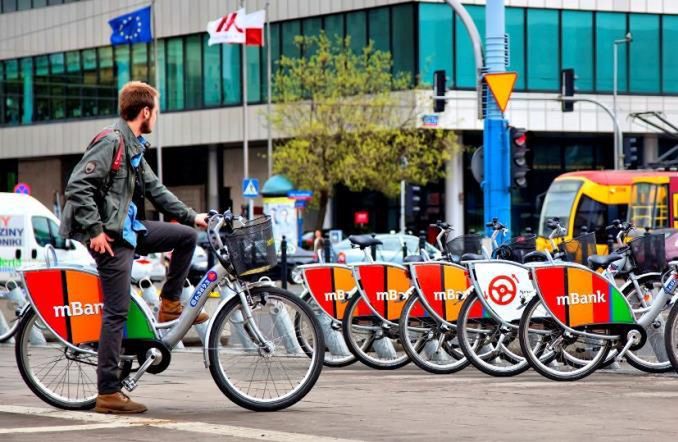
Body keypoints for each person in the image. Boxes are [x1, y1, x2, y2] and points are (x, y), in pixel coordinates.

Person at [60, 81, 208, 414]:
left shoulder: (135, 147)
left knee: (186, 237)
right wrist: (96, 231)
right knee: (116, 312)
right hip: (110, 237)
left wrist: (192, 217)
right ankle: (108, 393)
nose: (157, 116)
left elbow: (156, 190)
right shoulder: (112, 141)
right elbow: (77, 186)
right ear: (145, 112)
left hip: (129, 230)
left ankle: (170, 303)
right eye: (156, 110)